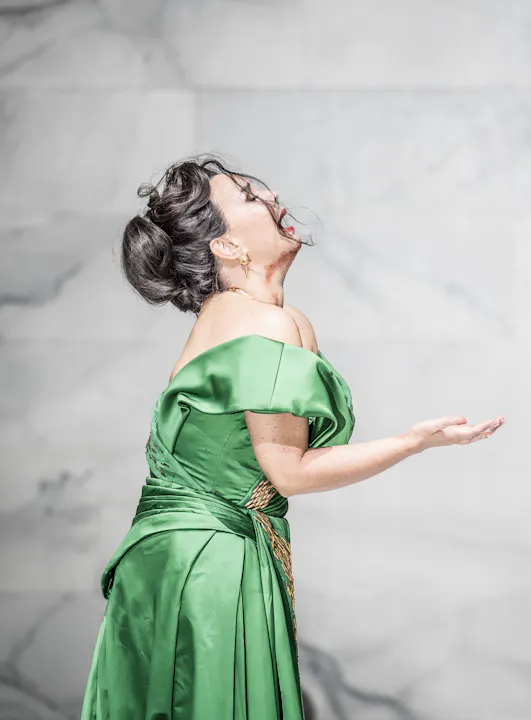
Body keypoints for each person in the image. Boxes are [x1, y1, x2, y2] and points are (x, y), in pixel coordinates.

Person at [79, 156, 505, 720]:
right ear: (226, 248)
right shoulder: (263, 322)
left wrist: (410, 442)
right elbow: (290, 473)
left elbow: (276, 463)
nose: (274, 194)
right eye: (250, 198)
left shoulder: (252, 316)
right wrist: (412, 443)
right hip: (207, 563)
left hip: (181, 556)